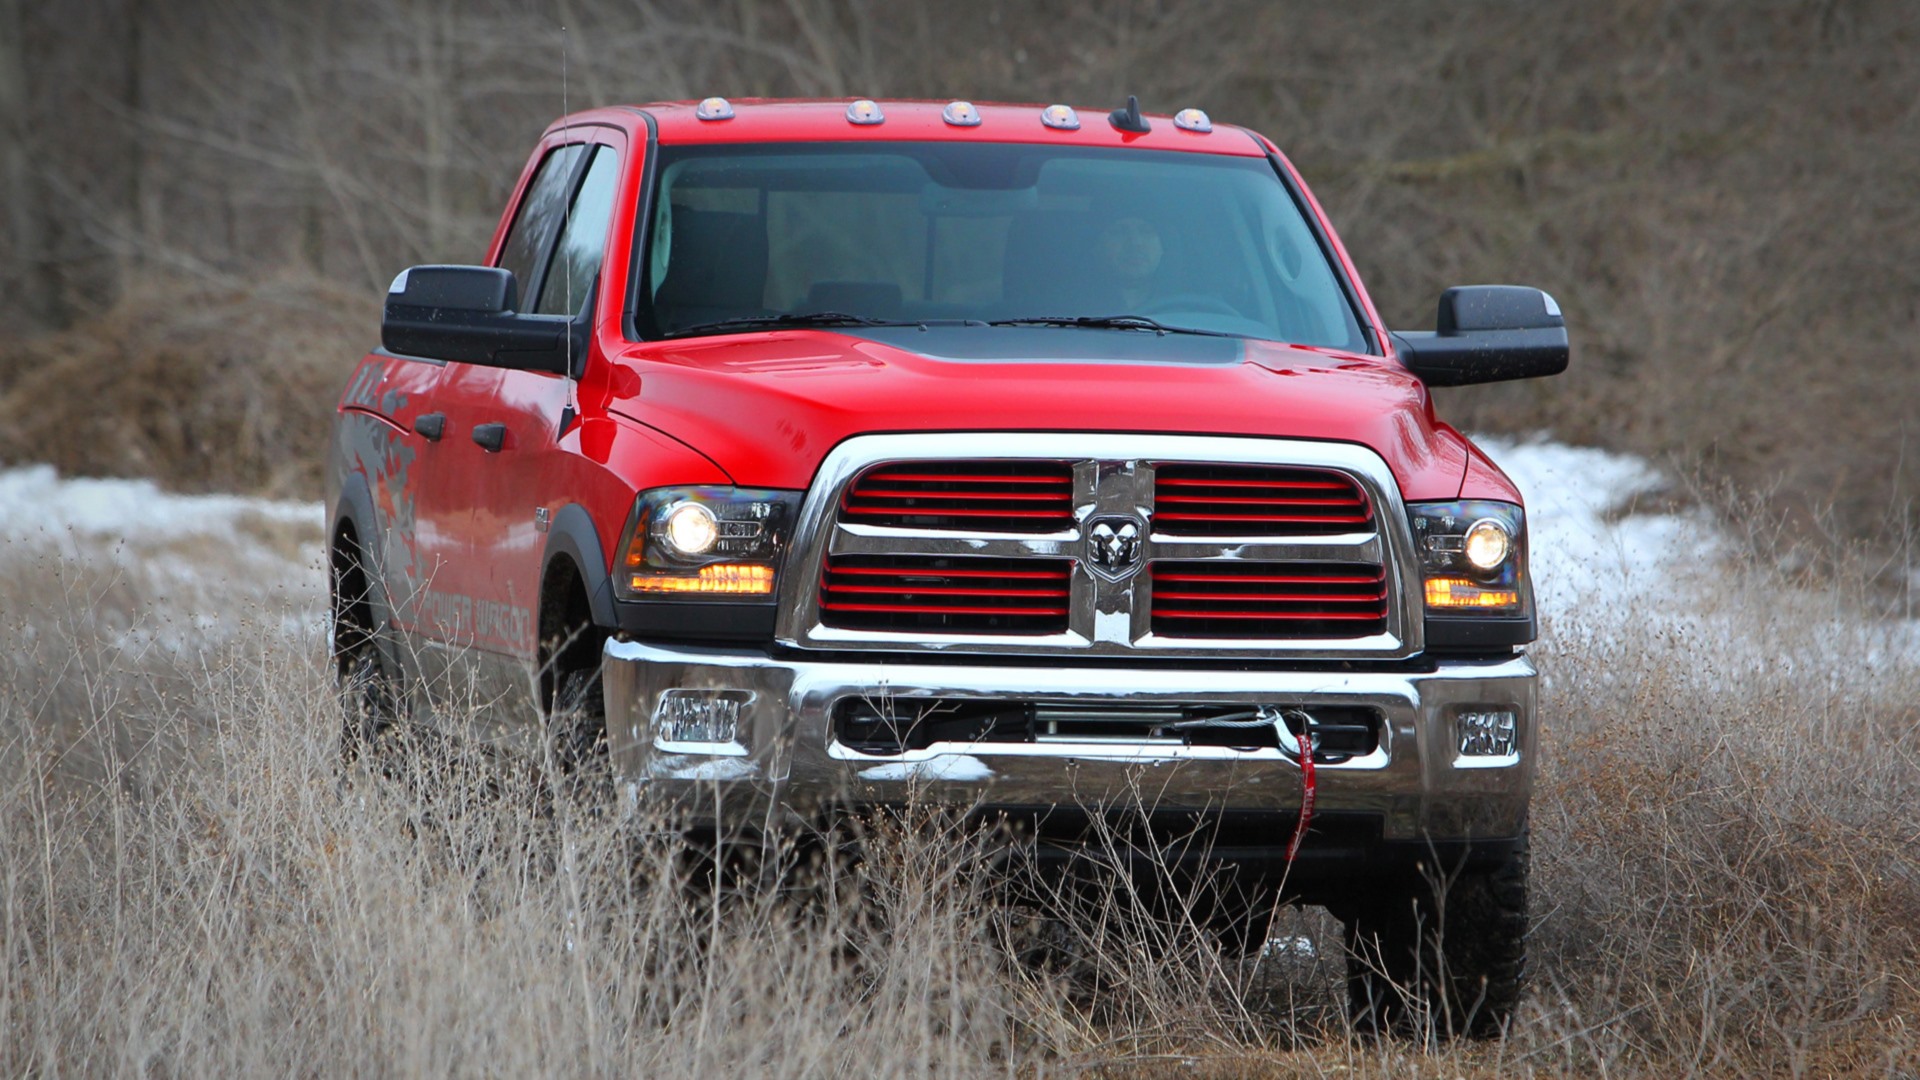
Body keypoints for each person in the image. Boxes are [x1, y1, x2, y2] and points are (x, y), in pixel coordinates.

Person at [1097, 214, 1164, 309]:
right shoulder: (1071, 303)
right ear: (1098, 247)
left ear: (1162, 248)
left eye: (1146, 232)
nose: (1135, 242)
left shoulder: (1186, 308)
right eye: (1119, 232)